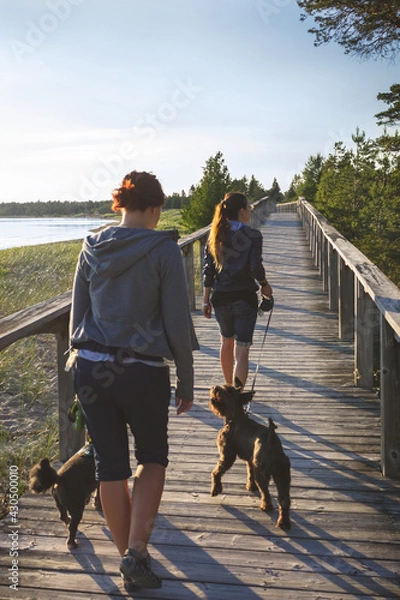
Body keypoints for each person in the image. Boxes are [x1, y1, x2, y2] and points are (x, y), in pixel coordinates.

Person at [69, 170, 198, 591]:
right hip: (141, 369)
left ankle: (129, 560)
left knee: (110, 468)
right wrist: (186, 379)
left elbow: (77, 313)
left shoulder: (91, 246)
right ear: (155, 209)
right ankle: (136, 554)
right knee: (152, 458)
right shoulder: (164, 250)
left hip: (91, 367)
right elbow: (177, 323)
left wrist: (79, 356)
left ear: (120, 205)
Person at [203, 192, 272, 387]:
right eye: (248, 207)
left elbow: (209, 271)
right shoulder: (253, 235)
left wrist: (205, 300)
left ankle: (228, 390)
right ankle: (237, 396)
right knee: (242, 351)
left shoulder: (216, 235)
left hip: (221, 298)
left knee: (226, 342)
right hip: (244, 298)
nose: (250, 210)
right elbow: (255, 268)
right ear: (242, 211)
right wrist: (265, 285)